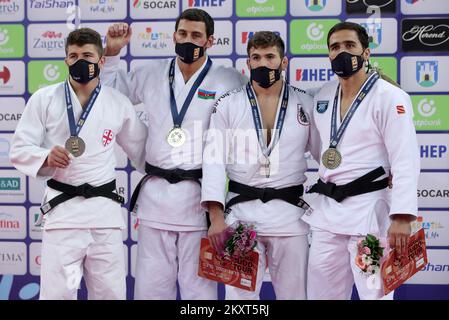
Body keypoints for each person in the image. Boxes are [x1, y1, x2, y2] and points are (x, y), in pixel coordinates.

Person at [101, 8, 247, 300]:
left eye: (196, 35)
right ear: (173, 36)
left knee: (199, 292)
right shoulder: (152, 73)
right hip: (156, 201)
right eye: (182, 34)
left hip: (199, 203)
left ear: (210, 41)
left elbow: (251, 121)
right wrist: (112, 53)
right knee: (150, 289)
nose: (188, 40)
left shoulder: (228, 79)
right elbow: (108, 95)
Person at [9, 28, 148, 300]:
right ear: (65, 61)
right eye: (73, 56)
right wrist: (45, 157)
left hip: (104, 216)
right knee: (58, 294)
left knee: (110, 294)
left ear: (101, 61)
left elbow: (143, 151)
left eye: (87, 55)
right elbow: (19, 148)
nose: (80, 61)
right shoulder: (44, 99)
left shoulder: (117, 103)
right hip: (63, 214)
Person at [302, 22, 420, 300]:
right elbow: (322, 152)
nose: (342, 52)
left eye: (349, 46)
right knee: (321, 295)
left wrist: (402, 216)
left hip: (369, 214)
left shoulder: (390, 97)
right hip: (328, 215)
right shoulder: (323, 96)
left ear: (366, 52)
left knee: (375, 295)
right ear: (328, 55)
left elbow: (405, 158)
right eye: (335, 47)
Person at [201, 31, 320, 300]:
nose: (263, 63)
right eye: (256, 57)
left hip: (290, 217)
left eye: (270, 57)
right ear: (248, 63)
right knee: (239, 299)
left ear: (284, 62)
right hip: (242, 214)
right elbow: (214, 161)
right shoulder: (228, 104)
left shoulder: (305, 103)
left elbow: (328, 155)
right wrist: (216, 217)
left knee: (295, 295)